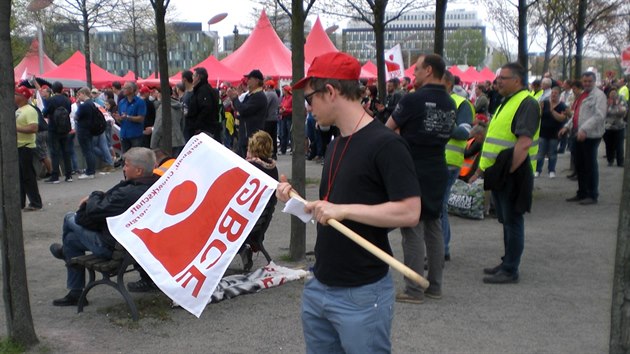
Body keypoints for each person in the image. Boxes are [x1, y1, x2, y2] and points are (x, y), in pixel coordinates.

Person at [276, 52, 421, 353]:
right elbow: (337, 206)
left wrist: (342, 210)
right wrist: (303, 201)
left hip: (363, 293)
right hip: (320, 282)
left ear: (330, 92)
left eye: (310, 98)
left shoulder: (386, 144)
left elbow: (410, 211)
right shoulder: (336, 142)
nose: (308, 107)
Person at [386, 53, 456, 302]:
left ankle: (414, 288)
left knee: (412, 228)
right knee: (434, 225)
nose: (413, 74)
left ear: (428, 70)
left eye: (416, 69)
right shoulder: (450, 102)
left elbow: (388, 129)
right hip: (438, 166)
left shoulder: (413, 100)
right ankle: (435, 285)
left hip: (413, 167)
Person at [49, 147, 158, 306]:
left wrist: (93, 195)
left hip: (113, 250)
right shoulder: (156, 186)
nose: (124, 168)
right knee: (72, 239)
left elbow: (94, 212)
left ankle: (66, 254)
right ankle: (75, 292)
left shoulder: (128, 193)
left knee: (70, 218)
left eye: (126, 165)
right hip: (135, 247)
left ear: (139, 171)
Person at [471, 62, 541, 284]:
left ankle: (511, 269)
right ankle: (507, 262)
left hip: (512, 172)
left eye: (503, 78)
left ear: (517, 81)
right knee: (506, 220)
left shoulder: (527, 103)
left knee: (513, 221)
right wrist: (482, 171)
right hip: (500, 172)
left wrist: (508, 172)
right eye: (498, 77)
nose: (498, 81)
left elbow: (523, 143)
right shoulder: (506, 102)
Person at [560, 72, 607, 205]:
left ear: (594, 81)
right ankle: (582, 192)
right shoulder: (582, 95)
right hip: (578, 133)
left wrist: (584, 129)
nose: (586, 83)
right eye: (585, 81)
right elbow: (576, 114)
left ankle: (592, 194)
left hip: (590, 135)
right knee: (580, 165)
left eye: (589, 81)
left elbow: (599, 115)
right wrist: (567, 127)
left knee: (590, 165)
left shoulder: (599, 96)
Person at [441, 70, 474, 262]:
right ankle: (440, 248)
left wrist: (443, 124)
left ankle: (442, 248)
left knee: (439, 207)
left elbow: (464, 132)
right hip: (435, 160)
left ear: (446, 83)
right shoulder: (434, 101)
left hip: (449, 162)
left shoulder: (462, 104)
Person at [240, 131, 279, 271]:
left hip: (246, 224)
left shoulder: (250, 169)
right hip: (259, 224)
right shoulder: (273, 169)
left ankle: (242, 247)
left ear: (253, 148)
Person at [15, 86, 43, 211]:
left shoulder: (30, 110)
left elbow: (33, 128)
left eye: (16, 94)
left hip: (26, 146)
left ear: (22, 96)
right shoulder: (19, 110)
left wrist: (15, 128)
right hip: (19, 146)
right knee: (20, 176)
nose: (14, 97)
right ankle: (20, 202)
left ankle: (35, 202)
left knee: (28, 176)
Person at [227, 69, 268, 157]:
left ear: (257, 81)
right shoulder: (251, 95)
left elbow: (243, 110)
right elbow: (238, 107)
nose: (247, 81)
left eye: (250, 79)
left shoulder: (259, 96)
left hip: (251, 138)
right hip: (245, 137)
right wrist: (236, 97)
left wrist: (234, 98)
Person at [43, 81, 73, 183]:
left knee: (54, 152)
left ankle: (55, 176)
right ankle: (69, 175)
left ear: (52, 90)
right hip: (65, 128)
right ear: (61, 89)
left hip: (53, 128)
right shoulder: (67, 99)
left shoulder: (51, 100)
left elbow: (45, 112)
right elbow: (69, 111)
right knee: (66, 152)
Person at [535, 86, 567, 178]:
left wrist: (552, 111)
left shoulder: (562, 106)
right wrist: (540, 110)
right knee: (540, 152)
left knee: (552, 153)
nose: (553, 95)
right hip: (543, 132)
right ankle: (538, 170)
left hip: (554, 133)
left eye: (555, 93)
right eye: (552, 93)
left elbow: (561, 118)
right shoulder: (544, 103)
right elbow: (539, 116)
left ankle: (551, 170)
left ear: (559, 95)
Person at [184, 67, 221, 143]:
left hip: (204, 130)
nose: (192, 78)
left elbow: (206, 109)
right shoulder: (200, 90)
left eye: (193, 76)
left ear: (198, 77)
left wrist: (197, 125)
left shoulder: (204, 91)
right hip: (202, 129)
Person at [113, 82, 146, 153]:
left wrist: (128, 117)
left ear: (131, 90)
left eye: (125, 88)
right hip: (124, 135)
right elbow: (121, 120)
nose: (123, 90)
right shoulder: (121, 102)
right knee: (125, 157)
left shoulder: (140, 102)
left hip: (135, 135)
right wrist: (118, 119)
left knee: (135, 157)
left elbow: (141, 118)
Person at [74, 87, 99, 180]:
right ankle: (91, 169)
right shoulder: (91, 104)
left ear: (84, 94)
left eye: (79, 94)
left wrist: (78, 105)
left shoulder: (84, 105)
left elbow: (76, 116)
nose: (78, 96)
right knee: (90, 150)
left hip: (83, 129)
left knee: (87, 151)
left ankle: (90, 171)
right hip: (89, 129)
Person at [602, 88, 627, 167]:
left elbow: (623, 112)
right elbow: (602, 113)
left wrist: (616, 108)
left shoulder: (621, 100)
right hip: (608, 127)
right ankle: (610, 160)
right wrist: (609, 107)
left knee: (619, 145)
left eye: (614, 93)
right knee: (609, 145)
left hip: (619, 126)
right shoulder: (605, 101)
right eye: (611, 93)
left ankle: (620, 161)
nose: (613, 94)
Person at [263, 80, 280, 159]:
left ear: (269, 86)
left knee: (267, 136)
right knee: (273, 136)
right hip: (274, 118)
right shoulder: (275, 94)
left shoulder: (269, 94)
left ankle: (269, 152)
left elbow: (265, 105)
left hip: (268, 118)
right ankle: (274, 153)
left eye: (266, 85)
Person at [278, 85, 293, 155]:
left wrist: (285, 110)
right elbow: (282, 105)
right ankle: (283, 149)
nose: (282, 91)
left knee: (290, 134)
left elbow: (293, 109)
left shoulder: (291, 98)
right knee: (283, 134)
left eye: (283, 90)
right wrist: (281, 108)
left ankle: (293, 149)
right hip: (283, 117)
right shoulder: (284, 98)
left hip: (289, 117)